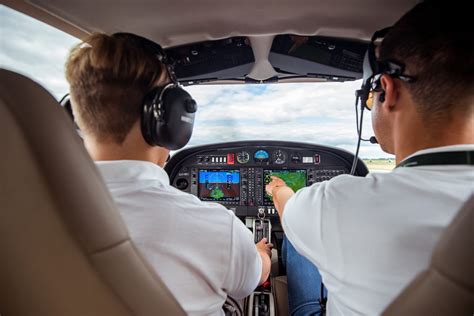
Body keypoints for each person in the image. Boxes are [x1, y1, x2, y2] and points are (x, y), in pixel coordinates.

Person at [266, 1, 473, 315]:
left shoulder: (338, 201)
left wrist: (277, 189)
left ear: (387, 92)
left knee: (297, 236)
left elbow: (287, 205)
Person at [65, 33, 272, 316]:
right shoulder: (217, 227)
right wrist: (260, 252)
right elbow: (254, 279)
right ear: (172, 121)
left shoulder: (28, 219)